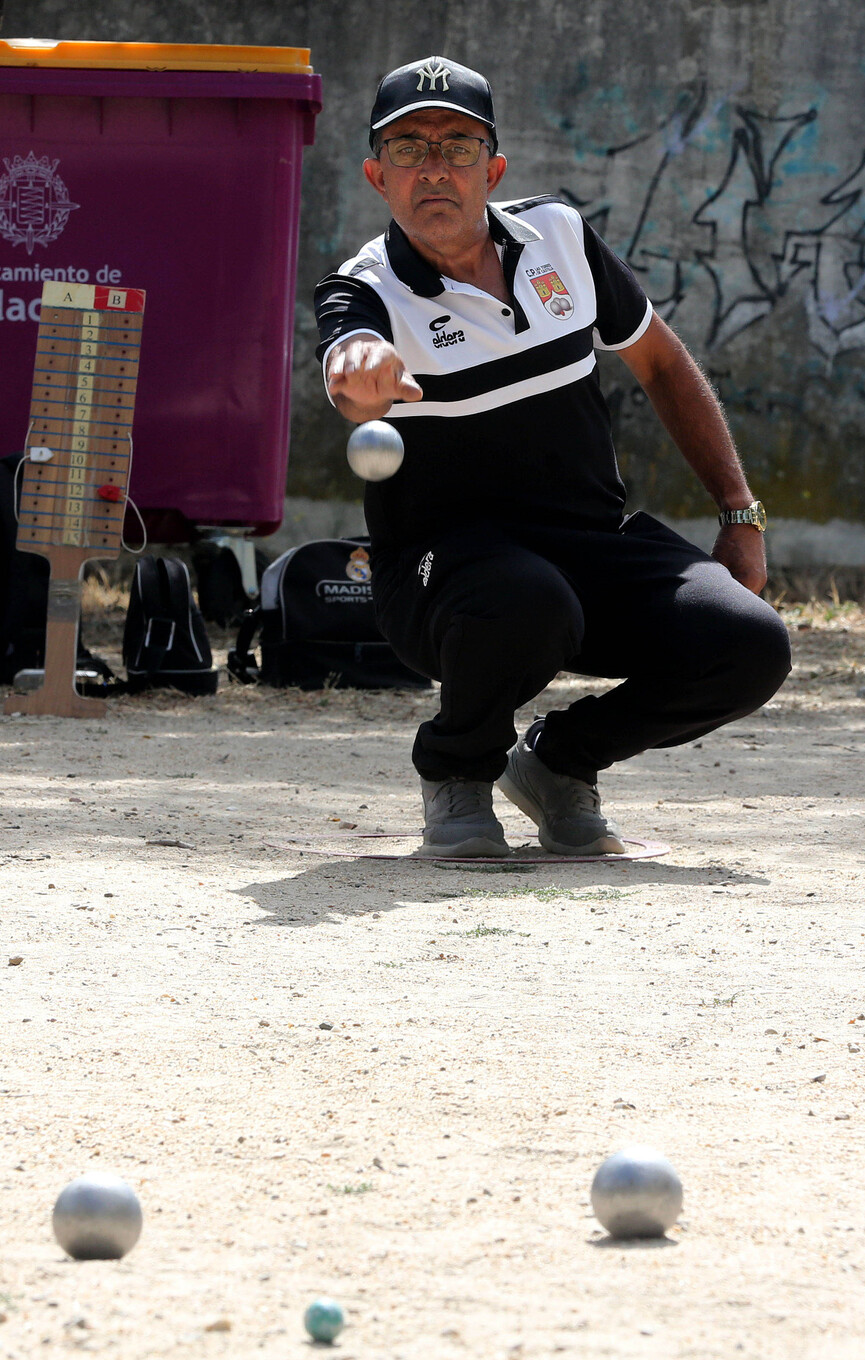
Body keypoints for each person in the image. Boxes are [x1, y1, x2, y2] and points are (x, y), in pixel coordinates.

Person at [314, 55, 791, 858]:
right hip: (441, 574)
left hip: (590, 544)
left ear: (493, 168)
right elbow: (348, 366)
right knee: (529, 601)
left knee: (750, 644)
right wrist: (360, 371)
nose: (434, 167)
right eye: (408, 149)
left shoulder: (560, 238)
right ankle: (458, 772)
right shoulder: (364, 289)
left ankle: (559, 763)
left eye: (457, 146)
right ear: (376, 176)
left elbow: (666, 366)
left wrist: (739, 513)